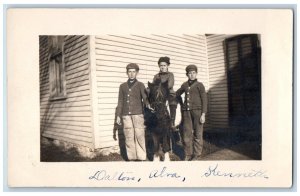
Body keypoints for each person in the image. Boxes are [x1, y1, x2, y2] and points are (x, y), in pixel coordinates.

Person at [115, 63, 151, 161]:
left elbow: (145, 99)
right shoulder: (122, 86)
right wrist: (118, 115)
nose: (131, 74)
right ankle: (132, 158)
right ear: (127, 73)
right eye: (129, 72)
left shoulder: (140, 85)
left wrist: (148, 104)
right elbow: (120, 101)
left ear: (137, 73)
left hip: (138, 114)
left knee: (139, 135)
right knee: (129, 136)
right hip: (126, 115)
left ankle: (142, 157)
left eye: (133, 72)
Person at [176, 64, 208, 161]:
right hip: (186, 113)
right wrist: (182, 104)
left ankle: (197, 155)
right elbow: (177, 93)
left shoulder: (200, 85)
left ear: (196, 74)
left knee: (198, 134)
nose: (192, 75)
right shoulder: (185, 85)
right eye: (190, 73)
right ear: (187, 74)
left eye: (194, 73)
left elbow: (204, 100)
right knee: (187, 134)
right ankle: (188, 154)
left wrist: (203, 114)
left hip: (197, 112)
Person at [152, 56, 178, 129]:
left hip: (169, 93)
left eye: (164, 65)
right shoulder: (156, 76)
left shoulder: (170, 75)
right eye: (161, 66)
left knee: (172, 101)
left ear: (167, 66)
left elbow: (170, 84)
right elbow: (153, 85)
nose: (162, 67)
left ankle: (172, 121)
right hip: (159, 94)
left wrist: (160, 88)